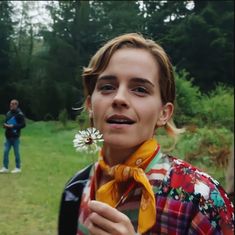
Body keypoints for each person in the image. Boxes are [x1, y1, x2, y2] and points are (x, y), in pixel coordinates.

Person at [58, 33, 234, 235]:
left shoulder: (202, 200)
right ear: (90, 105)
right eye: (107, 87)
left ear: (164, 113)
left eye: (140, 89)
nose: (119, 98)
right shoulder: (76, 189)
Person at [0, 99, 26, 173]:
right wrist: (5, 125)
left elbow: (23, 125)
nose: (11, 105)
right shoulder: (8, 113)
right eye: (11, 103)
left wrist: (13, 126)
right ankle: (5, 167)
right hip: (7, 136)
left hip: (15, 137)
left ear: (16, 105)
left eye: (13, 104)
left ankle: (18, 168)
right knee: (5, 152)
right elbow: (5, 122)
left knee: (16, 152)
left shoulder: (20, 114)